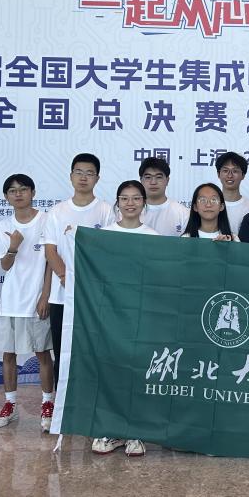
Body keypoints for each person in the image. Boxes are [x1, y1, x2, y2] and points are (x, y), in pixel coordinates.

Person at [92, 180, 160, 458]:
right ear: (117, 203)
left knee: (136, 372)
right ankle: (110, 430)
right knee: (111, 371)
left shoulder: (153, 236)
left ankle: (135, 432)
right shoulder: (104, 235)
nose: (130, 203)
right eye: (124, 198)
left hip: (140, 315)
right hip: (109, 316)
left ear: (144, 202)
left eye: (136, 198)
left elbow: (158, 279)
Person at [0, 174, 55, 432]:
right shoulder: (2, 226)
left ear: (33, 192)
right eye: (12, 191)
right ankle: (10, 405)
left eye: (23, 189)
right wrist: (13, 247)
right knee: (8, 354)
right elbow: (4, 265)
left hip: (37, 301)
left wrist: (45, 296)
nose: (18, 194)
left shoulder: (47, 220)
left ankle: (48, 404)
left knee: (43, 354)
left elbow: (51, 262)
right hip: (11, 301)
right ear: (6, 196)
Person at [39, 154, 114, 389]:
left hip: (94, 295)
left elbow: (108, 251)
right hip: (61, 296)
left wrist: (87, 282)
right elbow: (50, 250)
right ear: (71, 176)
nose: (83, 177)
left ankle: (91, 400)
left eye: (89, 173)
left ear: (97, 178)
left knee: (93, 350)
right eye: (79, 172)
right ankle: (62, 403)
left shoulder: (106, 211)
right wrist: (66, 278)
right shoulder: (57, 212)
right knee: (62, 350)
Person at [137, 156, 189, 237]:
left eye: (158, 177)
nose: (153, 182)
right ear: (141, 180)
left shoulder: (183, 213)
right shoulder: (129, 210)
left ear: (167, 180)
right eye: (148, 177)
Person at [215, 152, 249, 235]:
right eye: (225, 171)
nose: (230, 175)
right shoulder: (209, 205)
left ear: (243, 175)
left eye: (235, 171)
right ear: (218, 174)